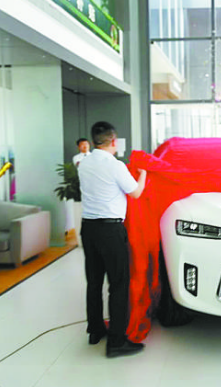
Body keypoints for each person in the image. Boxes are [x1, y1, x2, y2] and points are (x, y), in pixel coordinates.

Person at [78, 121, 147, 358]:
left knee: (94, 281)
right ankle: (117, 341)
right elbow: (136, 192)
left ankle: (95, 330)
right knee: (118, 283)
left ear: (93, 141)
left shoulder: (84, 164)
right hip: (110, 230)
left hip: (88, 228)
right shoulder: (115, 166)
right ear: (114, 141)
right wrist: (144, 174)